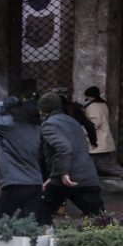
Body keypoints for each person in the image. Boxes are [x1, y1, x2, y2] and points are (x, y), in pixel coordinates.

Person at [35, 92, 103, 225]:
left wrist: (63, 173)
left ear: (43, 109)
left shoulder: (49, 125)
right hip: (86, 175)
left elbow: (63, 147)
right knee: (100, 218)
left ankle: (44, 236)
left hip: (66, 178)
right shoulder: (72, 121)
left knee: (42, 214)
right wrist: (52, 177)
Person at [0, 98, 43, 218]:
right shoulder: (34, 125)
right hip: (36, 184)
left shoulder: (9, 123)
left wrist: (0, 103)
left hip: (16, 184)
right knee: (27, 224)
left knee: (2, 222)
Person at [83, 86, 123, 178]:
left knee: (103, 166)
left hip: (97, 142)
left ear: (89, 96)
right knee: (99, 165)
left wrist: (82, 131)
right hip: (103, 140)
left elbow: (95, 123)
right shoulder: (102, 104)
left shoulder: (92, 107)